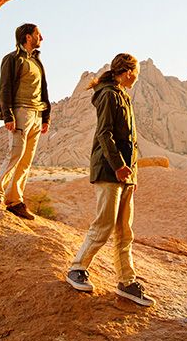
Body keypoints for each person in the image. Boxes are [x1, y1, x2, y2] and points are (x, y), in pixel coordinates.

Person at [65, 53, 154, 307]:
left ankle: (127, 281)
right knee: (104, 225)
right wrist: (118, 166)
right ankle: (77, 268)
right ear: (127, 71)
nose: (136, 77)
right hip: (109, 171)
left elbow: (129, 140)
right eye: (135, 72)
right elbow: (105, 134)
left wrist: (131, 173)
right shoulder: (107, 95)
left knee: (125, 231)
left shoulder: (121, 95)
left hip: (125, 174)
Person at [0, 23, 50, 220]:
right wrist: (8, 116)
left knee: (26, 160)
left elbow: (44, 90)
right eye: (38, 34)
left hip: (36, 115)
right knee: (15, 153)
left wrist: (46, 117)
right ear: (28, 37)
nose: (43, 38)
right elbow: (4, 88)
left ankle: (15, 201)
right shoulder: (12, 59)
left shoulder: (37, 61)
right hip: (20, 112)